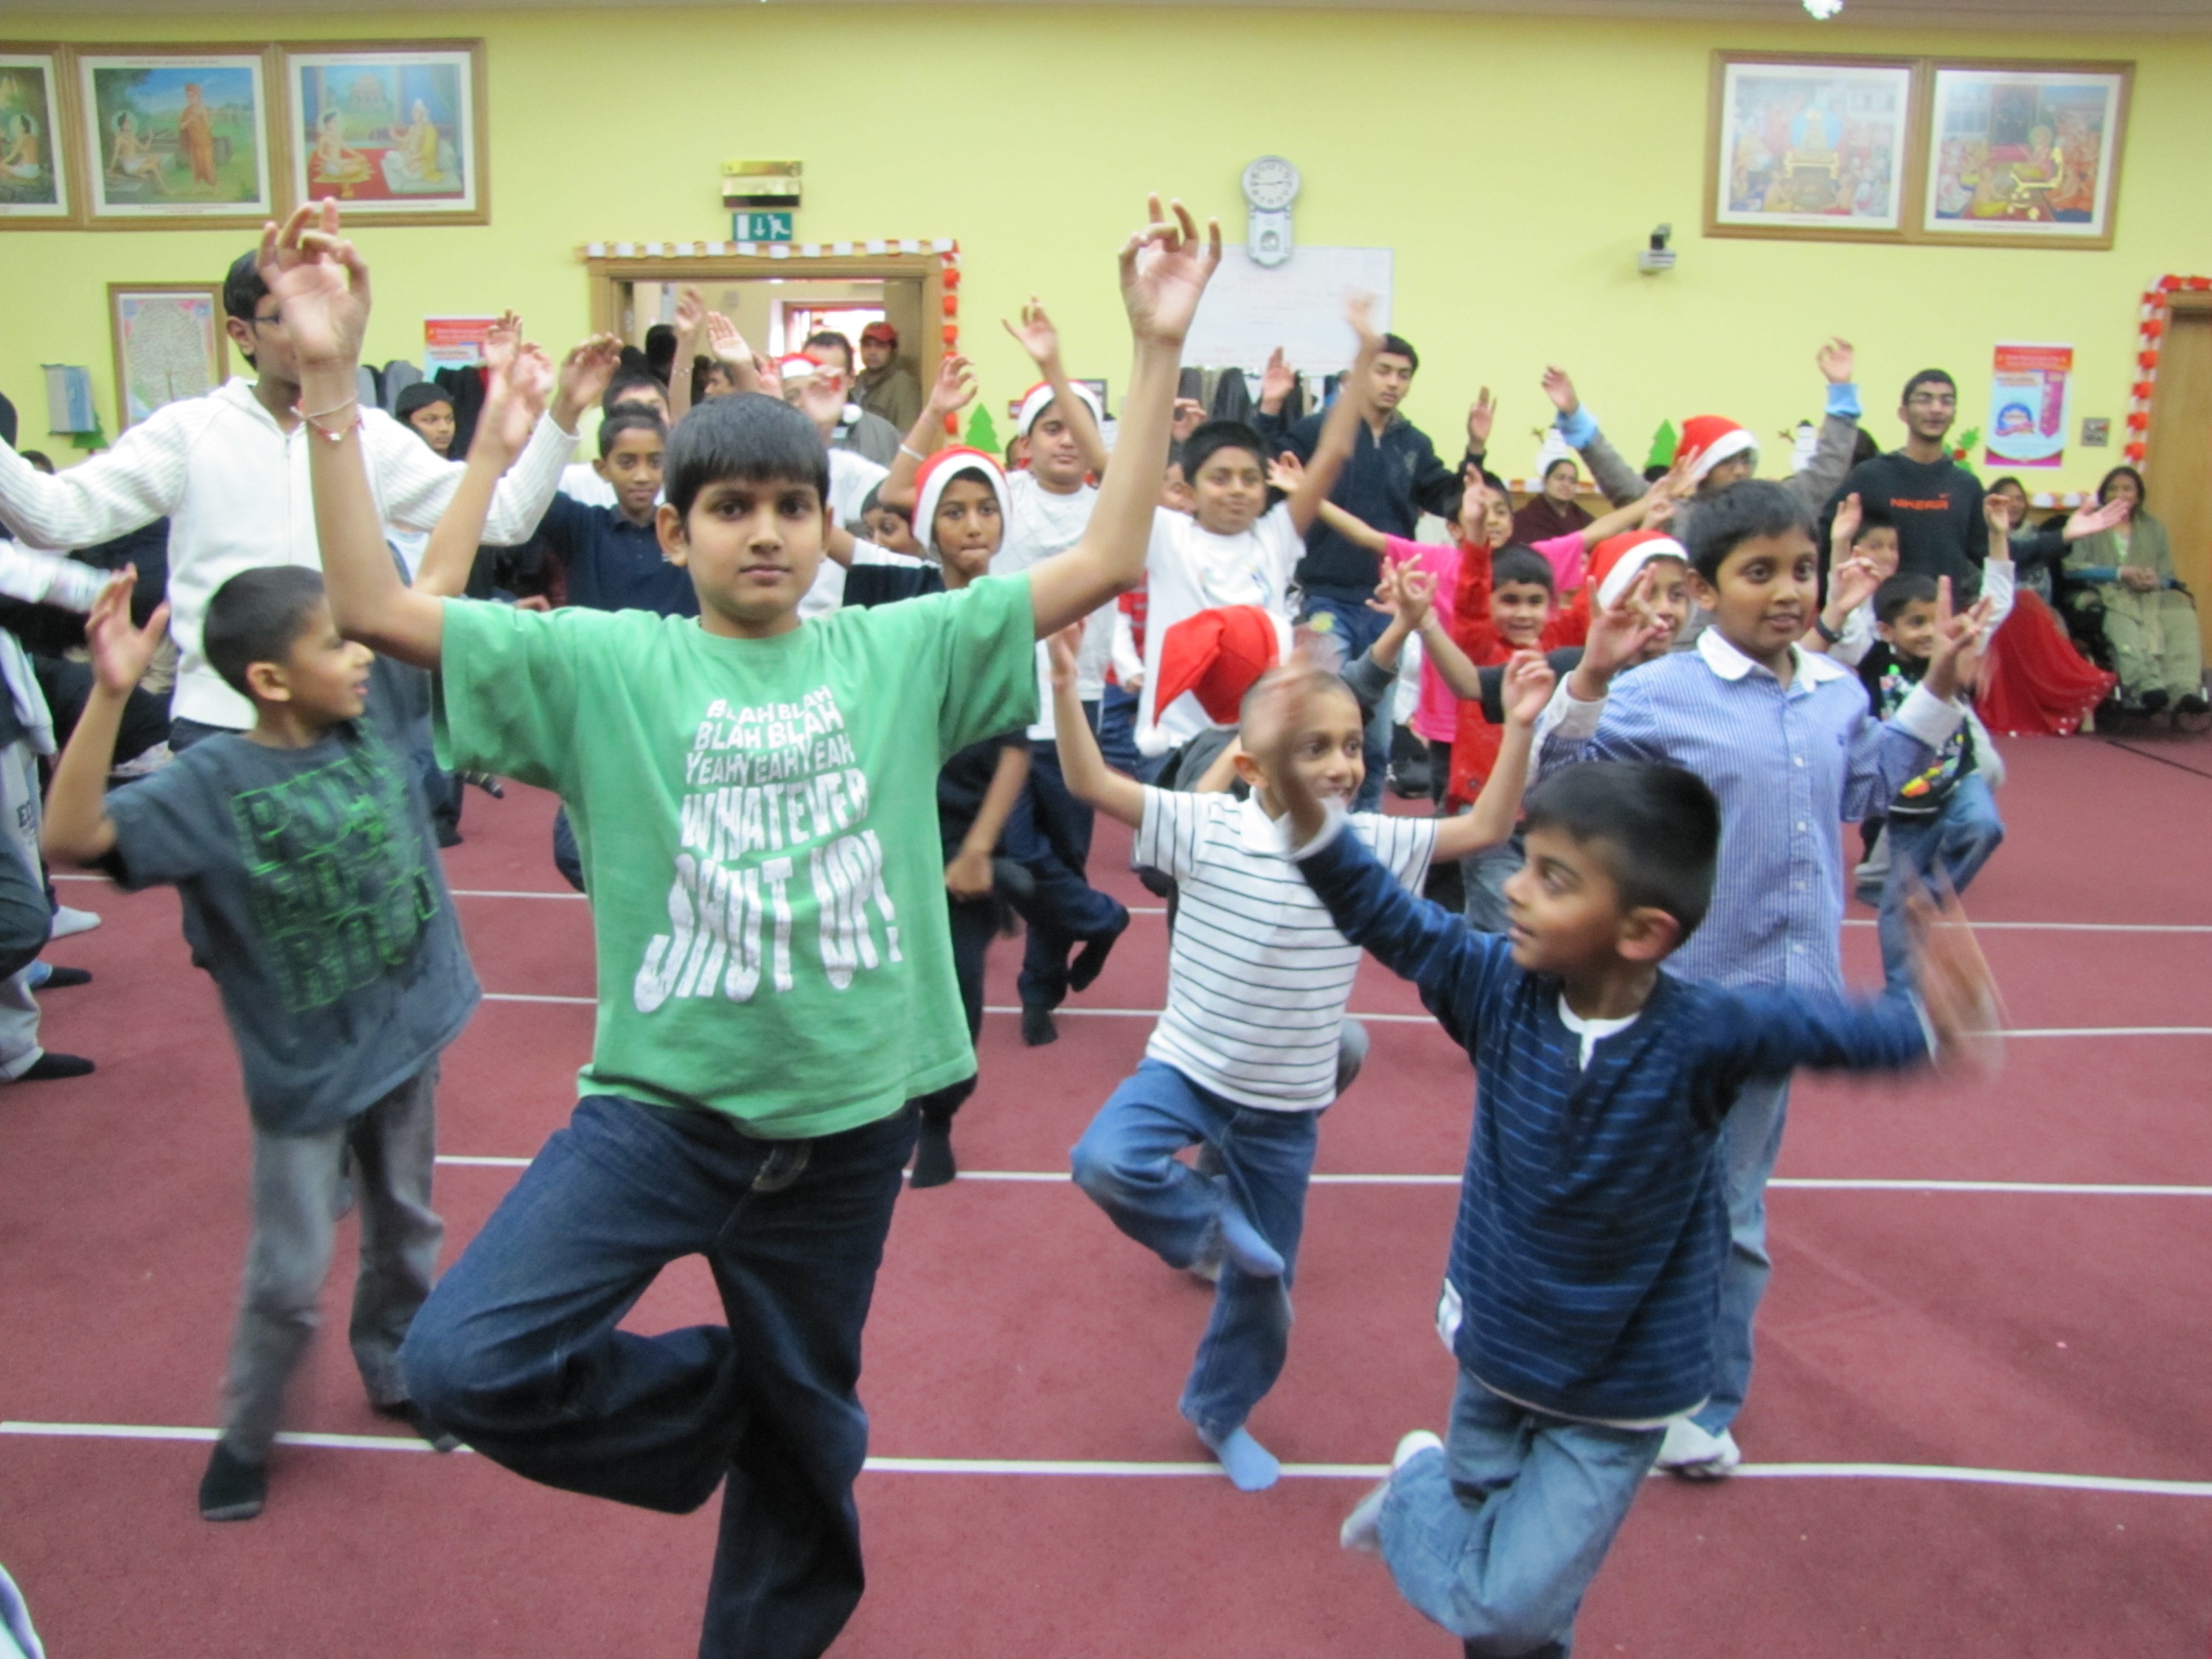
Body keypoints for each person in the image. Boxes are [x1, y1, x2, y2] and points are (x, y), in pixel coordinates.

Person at [257, 192, 1217, 1659]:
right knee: (466, 1365)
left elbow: (1102, 560)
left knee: (804, 1490)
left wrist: (1153, 351)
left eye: (788, 507)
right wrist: (331, 380)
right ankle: (744, 1405)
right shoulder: (609, 666)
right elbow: (377, 605)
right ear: (673, 526)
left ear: (831, 526)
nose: (764, 532)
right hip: (663, 1117)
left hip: (847, 1131)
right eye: (729, 508)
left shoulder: (898, 647)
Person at [1250, 673, 1997, 1656]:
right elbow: (1379, 908)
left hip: (1618, 1392)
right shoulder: (1494, 988)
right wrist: (1298, 798)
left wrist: (1931, 1017)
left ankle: (1411, 1498)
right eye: (1528, 861)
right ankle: (1442, 1495)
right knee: (1519, 1619)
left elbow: (1840, 1032)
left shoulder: (1705, 1032)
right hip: (1495, 1354)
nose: (1514, 886)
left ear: (1646, 929)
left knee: (1505, 1604)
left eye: (1555, 878)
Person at [1535, 479, 1993, 1481]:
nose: (1788, 590)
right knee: (1639, 1193)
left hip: (1788, 998)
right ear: (1704, 587)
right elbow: (1555, 791)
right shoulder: (1661, 693)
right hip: (1680, 994)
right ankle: (1576, 1360)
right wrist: (1588, 686)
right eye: (1760, 573)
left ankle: (1698, 1401)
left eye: (1802, 570)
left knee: (1734, 1210)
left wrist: (1943, 689)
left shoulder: (1835, 690)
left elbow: (1871, 783)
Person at [42, 563, 480, 1521]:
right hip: (306, 1073)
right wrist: (113, 693)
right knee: (287, 1271)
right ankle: (249, 1430)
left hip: (408, 1034)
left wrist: (492, 449)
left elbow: (435, 579)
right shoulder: (210, 784)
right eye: (334, 641)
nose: (361, 652)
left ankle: (400, 1370)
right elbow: (71, 835)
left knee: (407, 1226)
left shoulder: (372, 708)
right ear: (271, 679)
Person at [1067, 635, 1555, 1492]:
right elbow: (1092, 785)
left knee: (1266, 1290)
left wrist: (1517, 726)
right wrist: (1063, 686)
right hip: (1186, 1069)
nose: (1341, 764)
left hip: (1284, 1105)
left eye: (1352, 745)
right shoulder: (1207, 824)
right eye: (1315, 747)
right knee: (1104, 1160)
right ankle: (1210, 1229)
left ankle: (1218, 1412)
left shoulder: (1370, 844)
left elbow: (1484, 827)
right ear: (1253, 767)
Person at [0, 246, 607, 745]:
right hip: (221, 725)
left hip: (342, 717)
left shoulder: (368, 438)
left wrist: (564, 413)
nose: (315, 328)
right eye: (285, 315)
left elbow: (505, 516)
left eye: (325, 308)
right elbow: (52, 518)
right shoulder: (189, 432)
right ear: (242, 333)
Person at [1135, 300, 1380, 761]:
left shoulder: (1275, 538)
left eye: (1250, 479)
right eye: (1220, 478)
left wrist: (1365, 356)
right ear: (1189, 490)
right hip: (1172, 739)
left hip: (1257, 741)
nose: (1237, 490)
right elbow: (1118, 472)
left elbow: (1331, 454)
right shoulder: (1169, 536)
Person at [1254, 335, 1482, 807]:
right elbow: (1266, 472)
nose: (1393, 383)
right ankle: (1306, 821)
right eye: (1383, 371)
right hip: (1324, 600)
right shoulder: (1322, 430)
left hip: (1387, 606)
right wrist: (1270, 409)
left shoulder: (1414, 444)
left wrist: (1475, 452)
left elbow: (1449, 500)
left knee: (1374, 741)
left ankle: (1365, 833)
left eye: (1403, 375)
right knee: (1317, 718)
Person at [990, 299, 1130, 1045]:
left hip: (1078, 708)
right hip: (1007, 709)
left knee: (1067, 854)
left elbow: (1113, 466)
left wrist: (1054, 367)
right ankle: (1102, 918)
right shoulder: (1004, 503)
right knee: (1018, 851)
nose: (1066, 442)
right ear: (1023, 445)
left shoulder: (1111, 510)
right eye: (1051, 427)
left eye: (1075, 428)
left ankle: (1039, 992)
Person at [1861, 572, 2006, 990]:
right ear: (1886, 630)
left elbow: (1982, 628)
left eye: (1934, 621)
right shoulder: (1874, 662)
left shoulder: (1947, 657)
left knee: (1985, 826)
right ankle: (1903, 992)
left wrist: (1966, 661)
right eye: (1916, 623)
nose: (1928, 633)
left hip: (1959, 774)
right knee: (1895, 899)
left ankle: (1927, 897)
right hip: (1909, 797)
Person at [1975, 478, 2123, 736]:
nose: (2014, 504)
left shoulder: (2040, 536)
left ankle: (2071, 701)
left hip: (2040, 607)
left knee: (2042, 611)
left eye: (2019, 498)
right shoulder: (1983, 535)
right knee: (2022, 603)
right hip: (2000, 611)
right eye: (2006, 498)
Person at [1824, 370, 1989, 594]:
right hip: (1878, 619)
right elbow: (1827, 538)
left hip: (1941, 619)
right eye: (1925, 399)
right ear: (1903, 413)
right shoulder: (1870, 476)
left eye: (1946, 401)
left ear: (1954, 415)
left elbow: (1989, 557)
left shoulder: (1966, 486)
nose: (1936, 409)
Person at [2061, 465, 2205, 717]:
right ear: (2103, 496)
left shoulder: (2153, 528)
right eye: (2113, 489)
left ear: (2138, 496)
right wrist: (2120, 574)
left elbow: (2168, 574)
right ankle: (2145, 685)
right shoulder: (2090, 524)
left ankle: (2184, 689)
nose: (2120, 494)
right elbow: (2072, 569)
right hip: (2104, 593)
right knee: (2121, 610)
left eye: (2127, 489)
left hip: (2149, 594)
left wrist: (2154, 580)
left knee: (2180, 611)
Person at [801, 332, 905, 467]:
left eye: (830, 375)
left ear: (851, 380)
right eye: (813, 373)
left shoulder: (883, 435)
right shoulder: (783, 433)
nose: (821, 383)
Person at [853, 319, 922, 433]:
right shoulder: (860, 381)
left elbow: (908, 433)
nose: (872, 352)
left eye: (880, 346)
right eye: (867, 345)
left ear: (893, 350)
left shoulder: (902, 384)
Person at [1511, 456, 1590, 545]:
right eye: (1560, 478)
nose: (1566, 484)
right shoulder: (1523, 519)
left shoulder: (1584, 520)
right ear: (1544, 481)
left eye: (1572, 481)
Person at [394, 383, 456, 458]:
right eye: (430, 420)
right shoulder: (388, 466)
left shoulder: (466, 466)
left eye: (449, 420)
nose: (444, 428)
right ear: (405, 423)